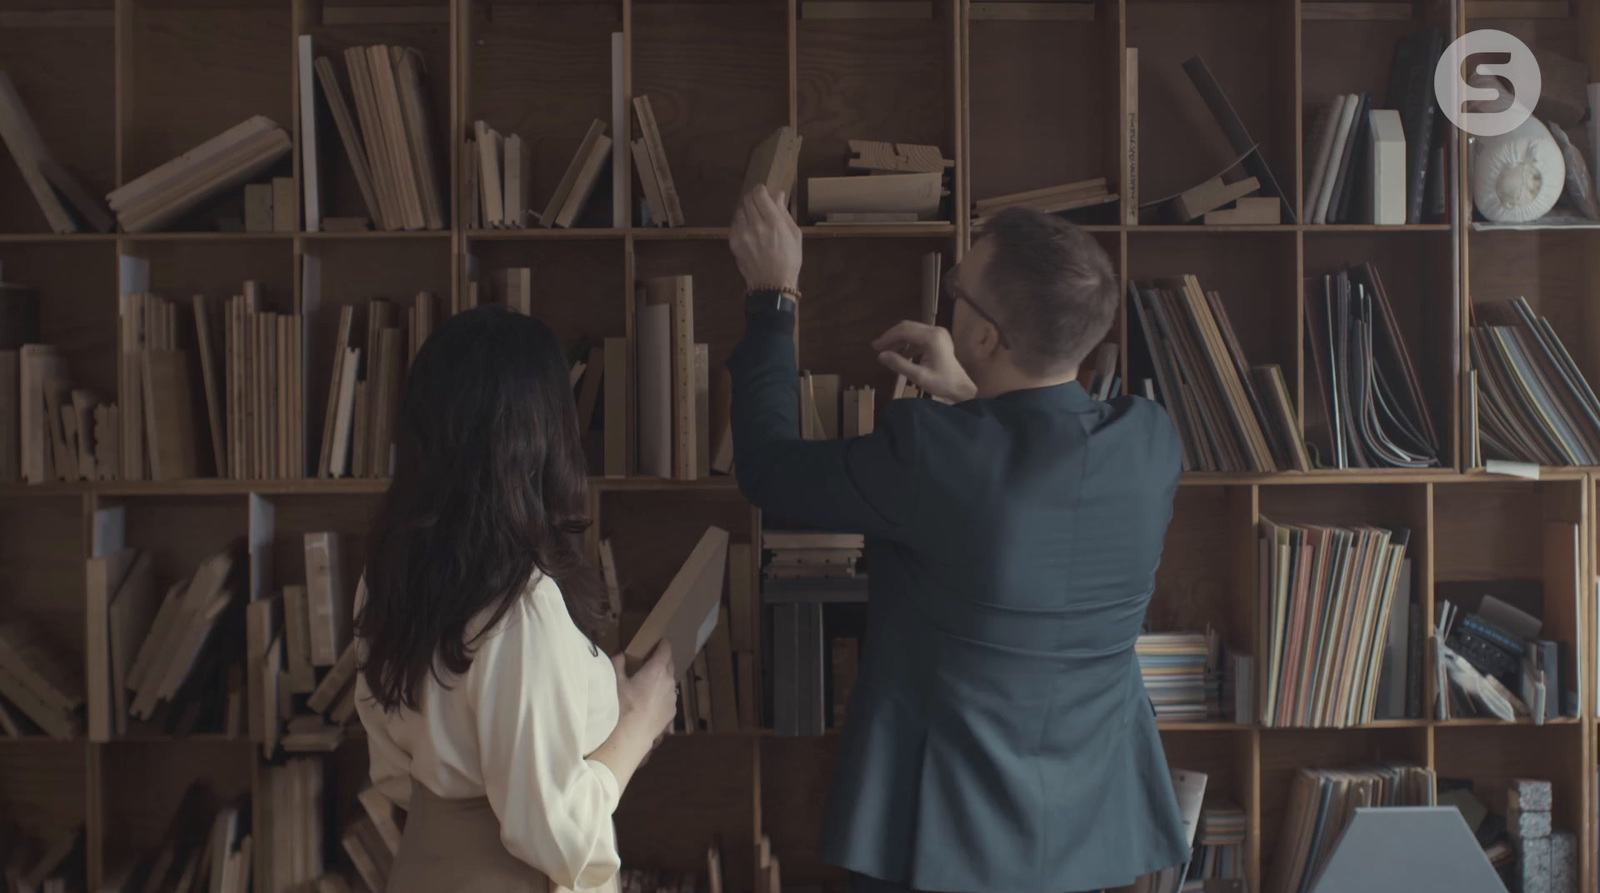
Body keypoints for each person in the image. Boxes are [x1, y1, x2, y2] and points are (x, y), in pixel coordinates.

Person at [726, 187, 1191, 893]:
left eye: (958, 289)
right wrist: (978, 397)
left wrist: (773, 296)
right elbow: (1033, 472)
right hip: (1084, 833)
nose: (950, 299)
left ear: (984, 338)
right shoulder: (1151, 443)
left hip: (939, 836)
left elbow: (767, 469)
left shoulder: (930, 452)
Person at [353, 305, 679, 893]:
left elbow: (398, 770)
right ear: (542, 438)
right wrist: (636, 725)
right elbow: (554, 832)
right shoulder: (519, 606)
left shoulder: (389, 574)